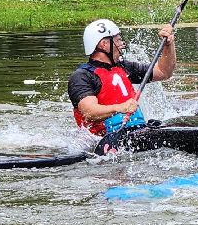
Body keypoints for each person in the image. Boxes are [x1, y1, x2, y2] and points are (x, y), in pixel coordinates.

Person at [68, 19, 176, 150]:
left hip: (136, 132)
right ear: (104, 44)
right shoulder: (82, 76)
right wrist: (120, 108)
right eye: (117, 40)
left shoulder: (124, 67)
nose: (121, 44)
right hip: (102, 140)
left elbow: (164, 72)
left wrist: (168, 46)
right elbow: (89, 111)